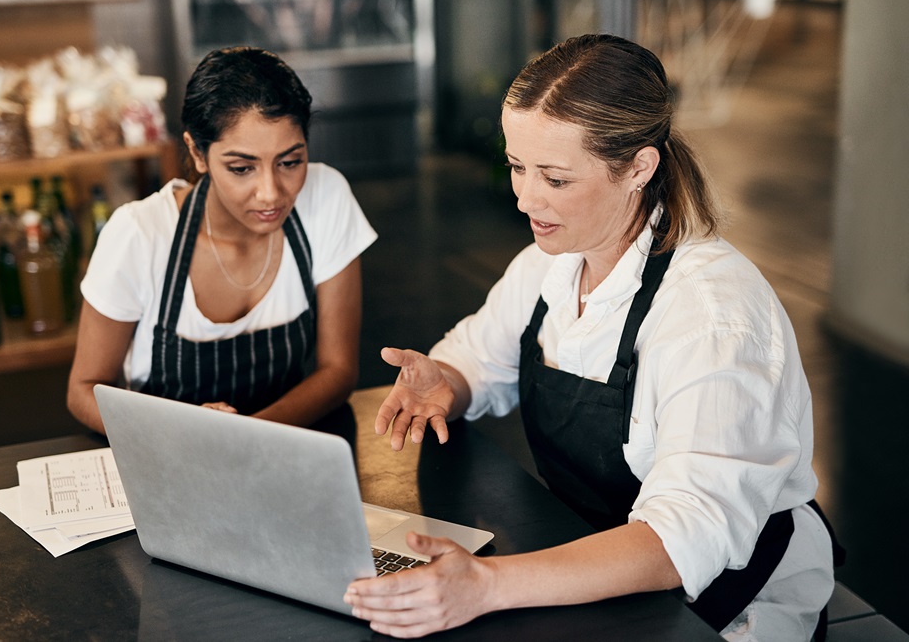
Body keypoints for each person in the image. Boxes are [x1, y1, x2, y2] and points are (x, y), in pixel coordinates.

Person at [346, 35, 836, 641]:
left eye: (554, 177)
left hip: (728, 606)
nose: (526, 197)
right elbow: (479, 356)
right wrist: (445, 382)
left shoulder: (712, 314)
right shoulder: (549, 264)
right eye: (516, 166)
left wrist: (489, 585)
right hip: (596, 557)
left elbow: (681, 539)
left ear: (639, 168)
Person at [67, 47, 377, 434]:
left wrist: (242, 437)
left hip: (282, 447)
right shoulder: (140, 234)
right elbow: (83, 390)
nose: (271, 193)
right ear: (198, 153)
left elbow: (338, 371)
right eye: (242, 168)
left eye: (290, 162)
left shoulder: (326, 197)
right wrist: (185, 435)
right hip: (166, 451)